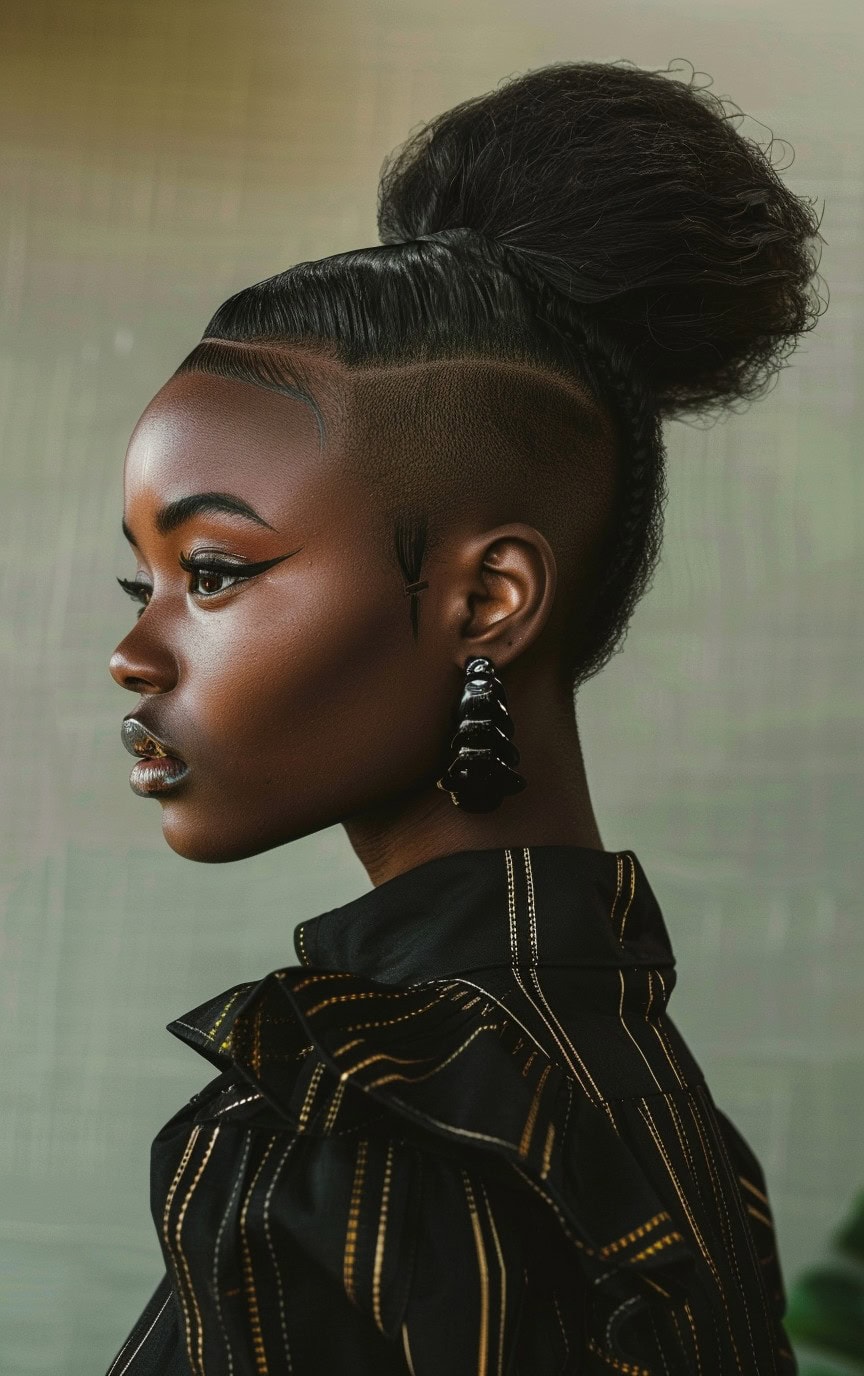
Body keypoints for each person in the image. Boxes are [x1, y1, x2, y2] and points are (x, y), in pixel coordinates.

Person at [104, 58, 823, 1376]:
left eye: (212, 573)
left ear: (488, 599)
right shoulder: (662, 1114)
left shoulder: (367, 1145)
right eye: (138, 580)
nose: (132, 653)